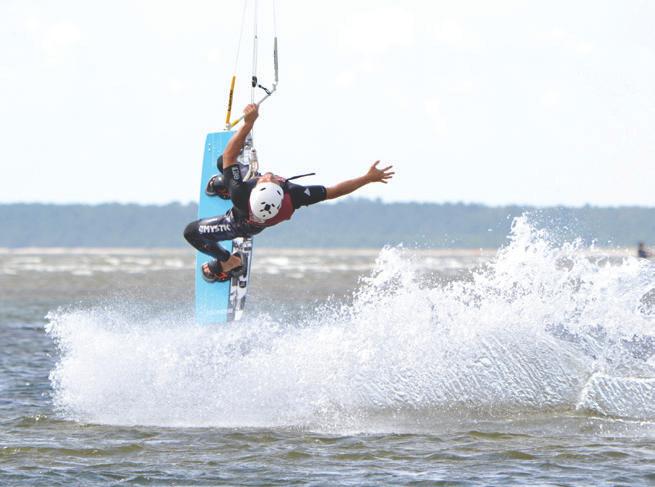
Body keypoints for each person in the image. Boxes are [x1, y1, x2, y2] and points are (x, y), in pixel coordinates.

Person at [184, 104, 395, 282]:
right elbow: (334, 192)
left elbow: (230, 155)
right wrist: (367, 178)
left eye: (267, 180)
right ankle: (223, 186)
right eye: (268, 180)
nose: (267, 176)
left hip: (238, 223)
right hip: (253, 214)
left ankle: (230, 262)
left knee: (191, 232)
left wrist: (249, 123)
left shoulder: (240, 194)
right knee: (225, 166)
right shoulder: (294, 196)